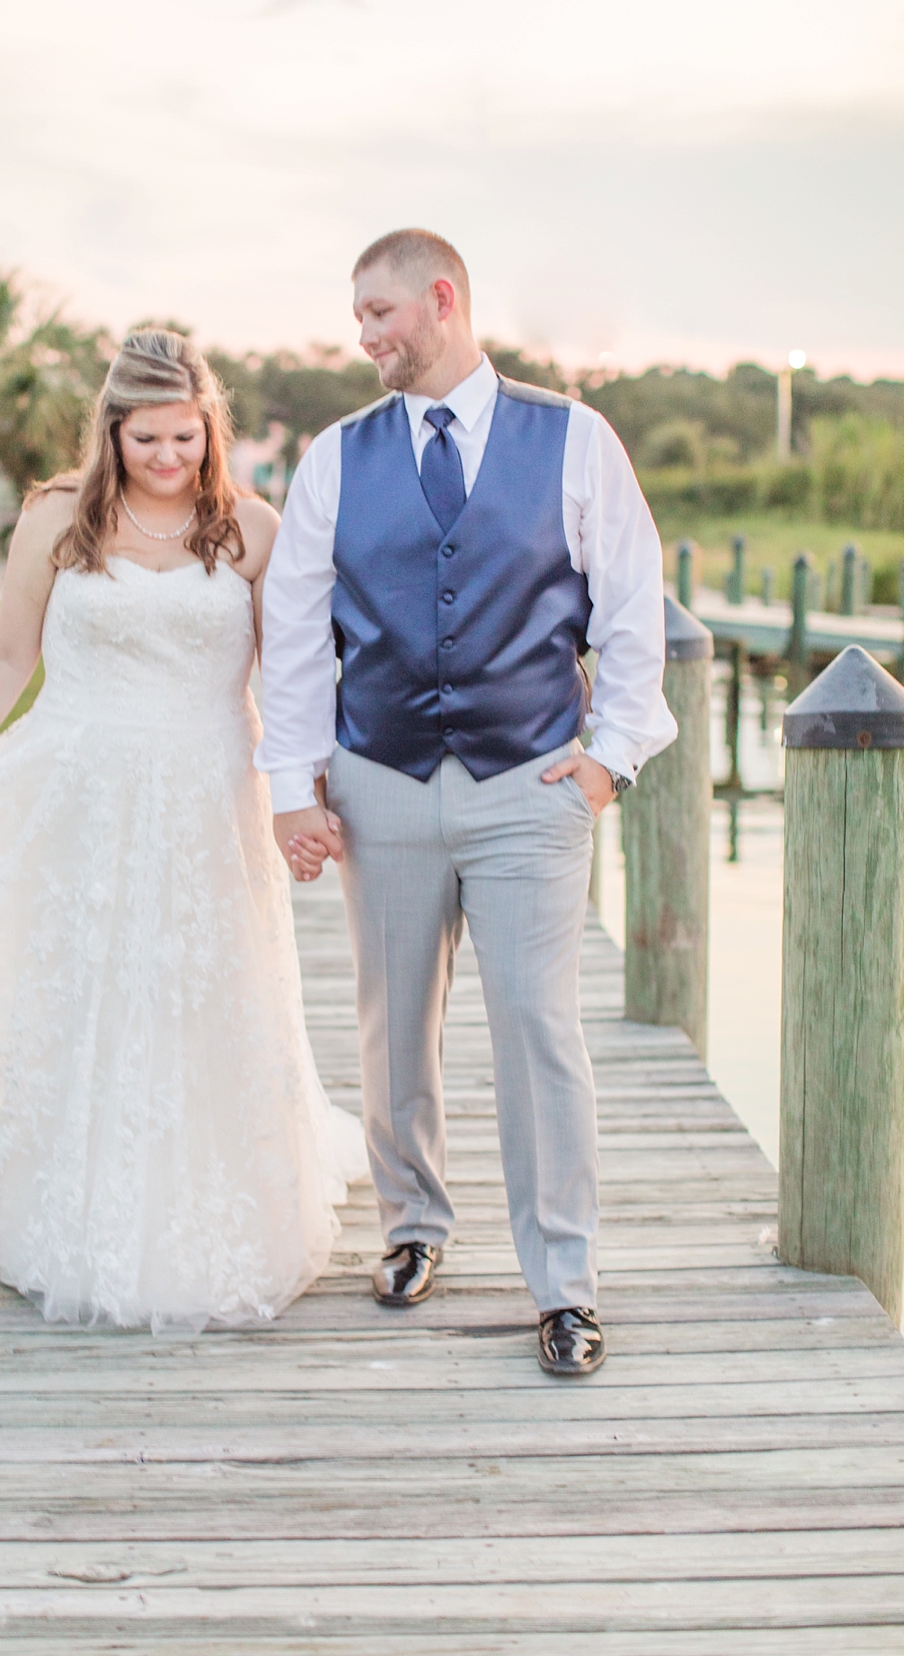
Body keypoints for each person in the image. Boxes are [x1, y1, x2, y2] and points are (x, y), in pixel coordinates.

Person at [0, 329, 366, 1333]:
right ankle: (77, 1213)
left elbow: (292, 678)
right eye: (147, 440)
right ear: (112, 430)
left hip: (206, 794)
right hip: (84, 791)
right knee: (87, 990)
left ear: (209, 430)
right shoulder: (58, 519)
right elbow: (6, 659)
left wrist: (305, 793)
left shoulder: (251, 530)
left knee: (198, 993)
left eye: (186, 438)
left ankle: (216, 1210)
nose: (169, 459)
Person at [256, 230, 677, 1376]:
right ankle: (412, 1227)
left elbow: (634, 609)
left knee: (542, 1031)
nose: (367, 336)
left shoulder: (575, 439)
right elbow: (293, 634)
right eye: (358, 318)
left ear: (443, 300)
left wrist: (609, 759)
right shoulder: (337, 458)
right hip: (381, 779)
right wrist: (295, 783)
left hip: (530, 784)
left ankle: (566, 1283)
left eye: (381, 312)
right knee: (395, 1024)